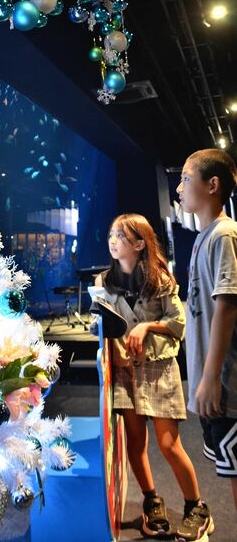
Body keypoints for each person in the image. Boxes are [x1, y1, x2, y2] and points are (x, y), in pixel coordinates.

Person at [95, 213, 213, 540]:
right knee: (136, 444)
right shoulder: (103, 282)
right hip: (124, 374)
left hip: (159, 369)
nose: (113, 241)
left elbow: (178, 325)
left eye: (120, 235)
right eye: (111, 235)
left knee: (168, 444)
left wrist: (147, 325)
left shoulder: (162, 280)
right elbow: (100, 325)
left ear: (139, 243)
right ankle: (151, 501)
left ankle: (196, 507)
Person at [177, 149, 237, 513]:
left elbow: (227, 304)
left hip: (227, 384)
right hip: (212, 380)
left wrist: (212, 376)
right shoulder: (204, 237)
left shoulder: (224, 235)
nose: (180, 188)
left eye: (186, 179)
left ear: (212, 185)